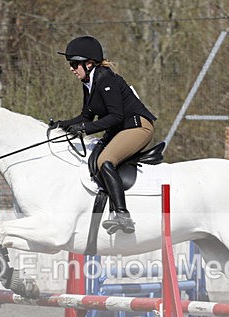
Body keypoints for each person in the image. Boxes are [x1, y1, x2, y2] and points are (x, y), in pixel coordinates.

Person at [56, 35, 157, 234]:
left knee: (105, 160)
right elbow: (86, 115)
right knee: (92, 159)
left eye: (75, 64)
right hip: (121, 128)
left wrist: (84, 129)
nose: (71, 68)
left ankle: (122, 215)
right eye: (71, 64)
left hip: (138, 126)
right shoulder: (89, 82)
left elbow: (116, 116)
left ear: (89, 63)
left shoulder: (104, 78)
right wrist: (61, 125)